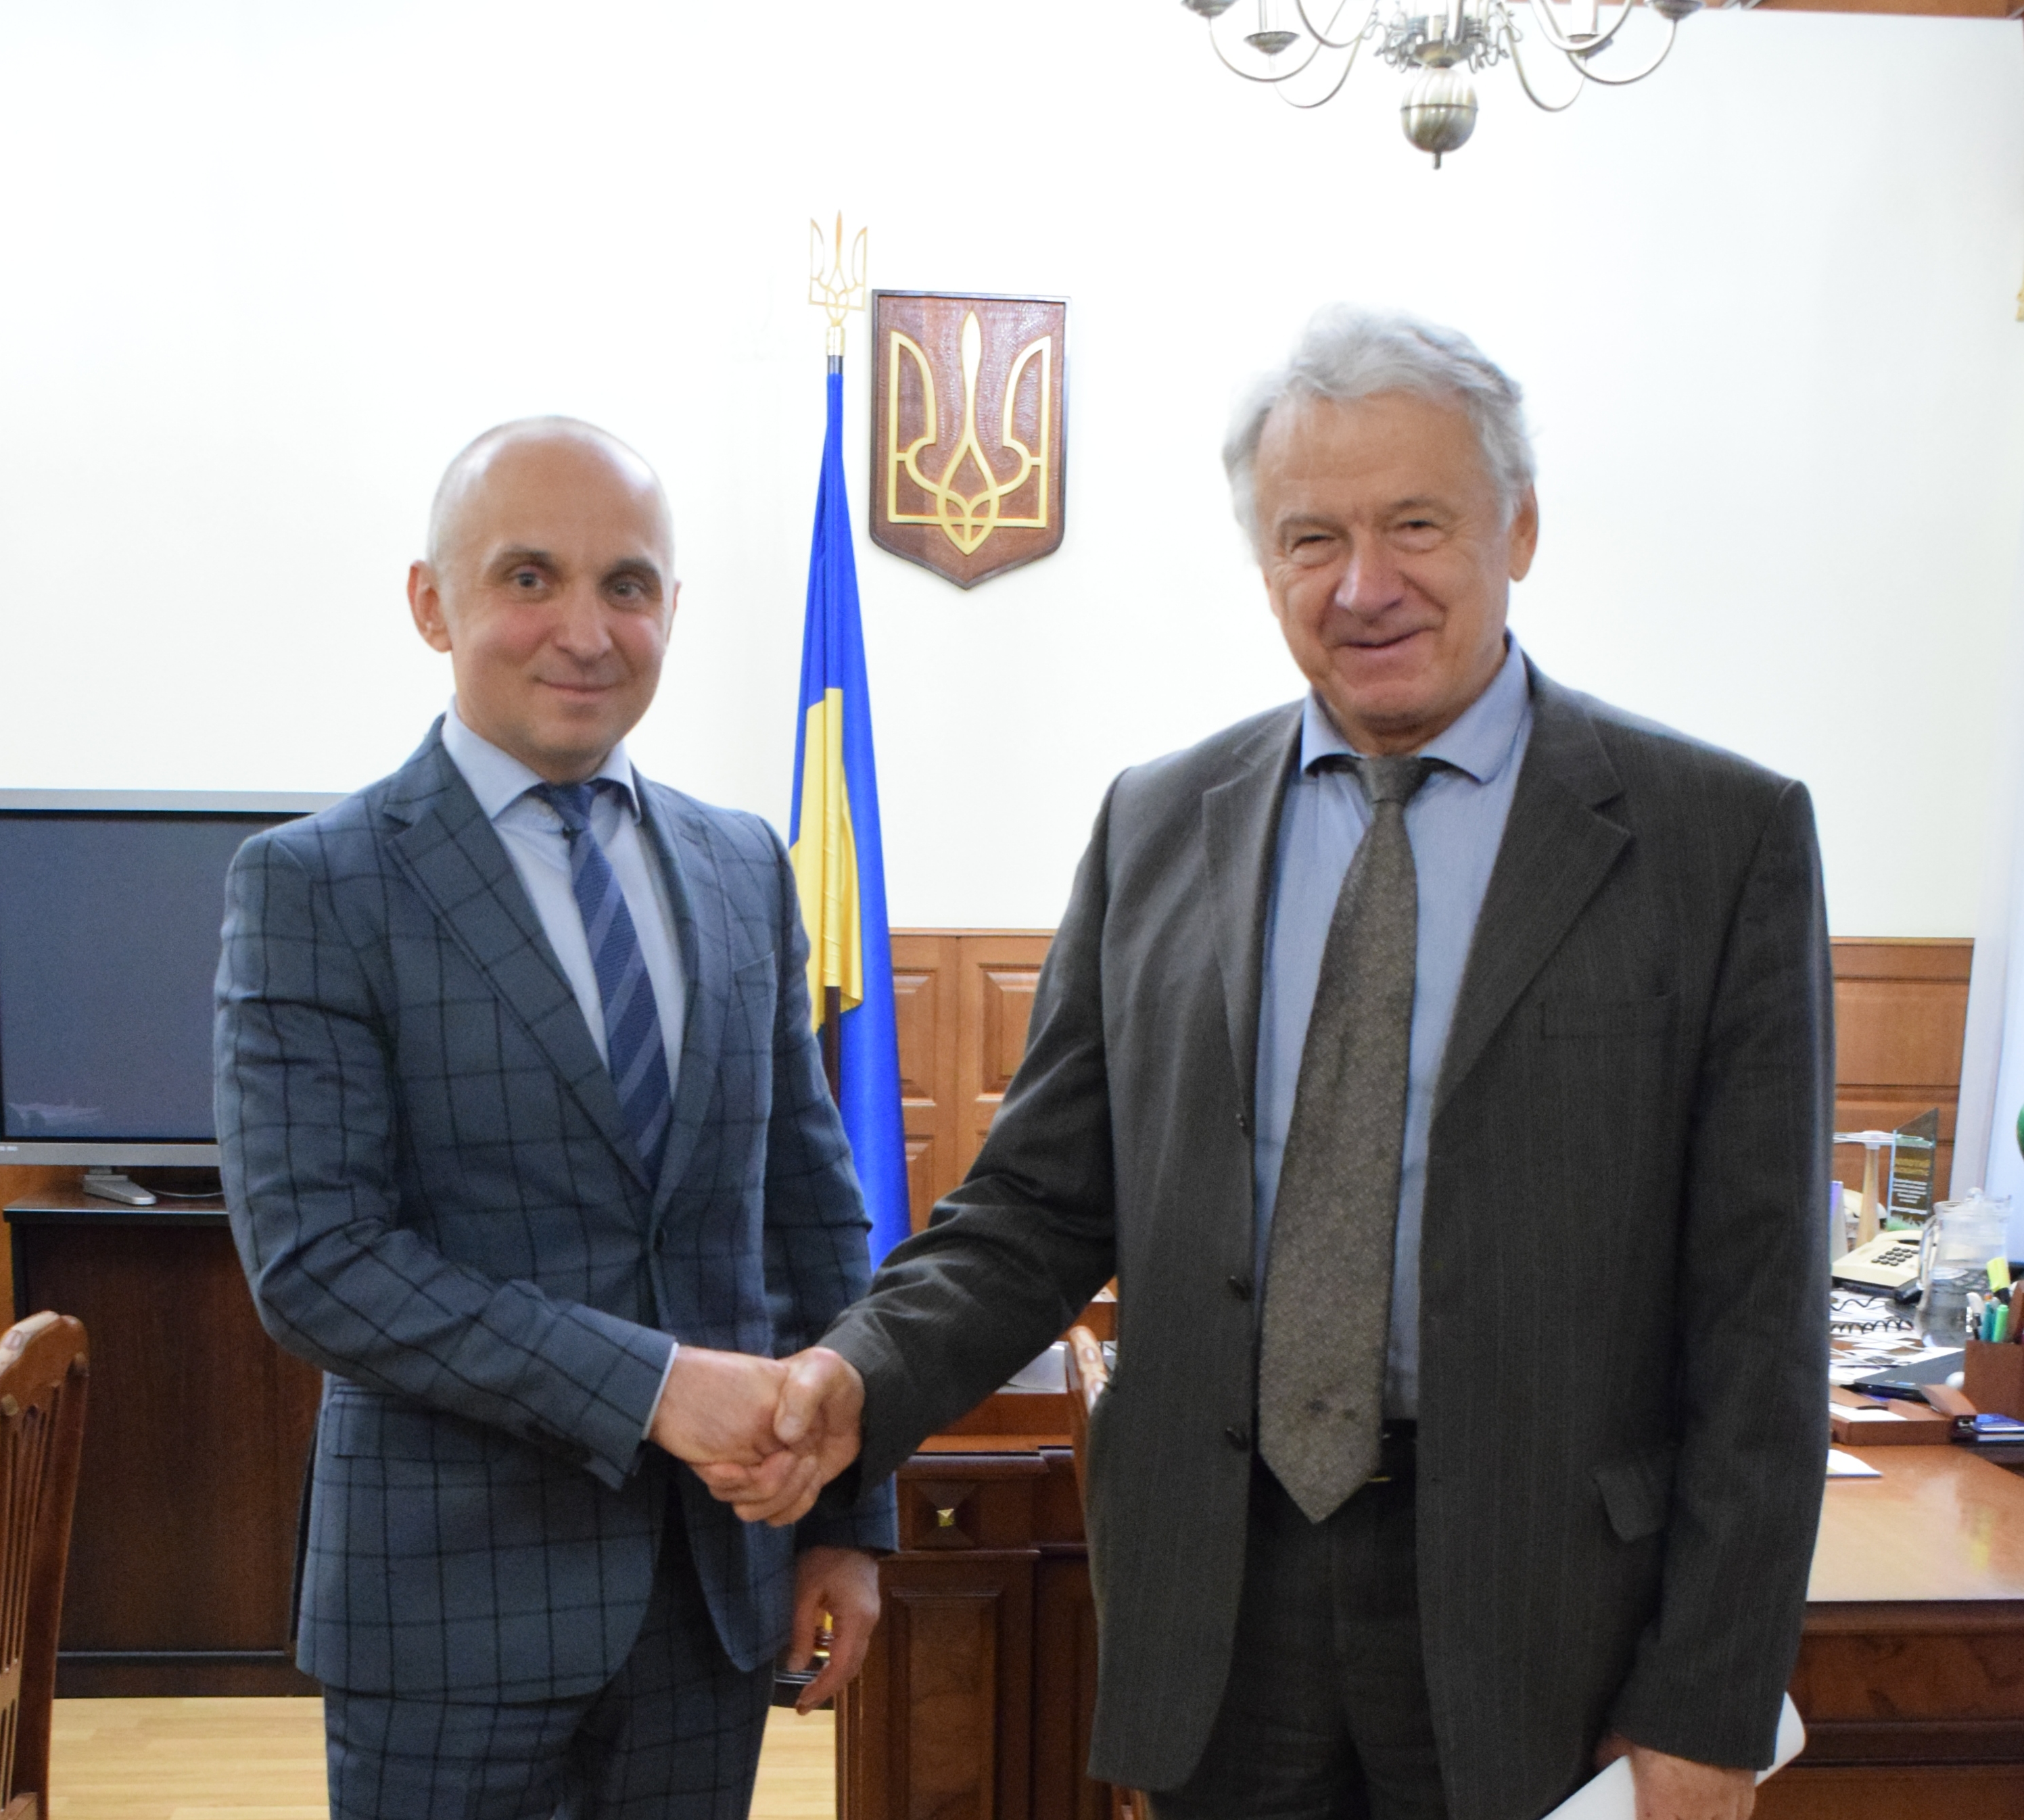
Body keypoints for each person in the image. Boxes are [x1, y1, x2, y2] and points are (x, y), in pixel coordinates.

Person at [708, 310, 1833, 1820]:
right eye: (1312, 538)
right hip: (1220, 1617)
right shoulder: (1158, 823)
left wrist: (1710, 1704)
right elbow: (1037, 1210)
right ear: (1265, 563)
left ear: (1519, 527)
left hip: (1554, 1624)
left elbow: (1762, 1324)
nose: (1363, 585)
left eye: (1415, 524)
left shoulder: (1720, 840)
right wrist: (859, 1376)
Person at [216, 417, 894, 1820]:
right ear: (433, 602)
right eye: (530, 577)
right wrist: (656, 1387)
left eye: (626, 584)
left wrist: (845, 1520)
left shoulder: (743, 867)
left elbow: (813, 1209)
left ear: (671, 609)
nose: (585, 631)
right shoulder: (315, 886)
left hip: (712, 1604)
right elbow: (319, 1262)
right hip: (446, 1612)